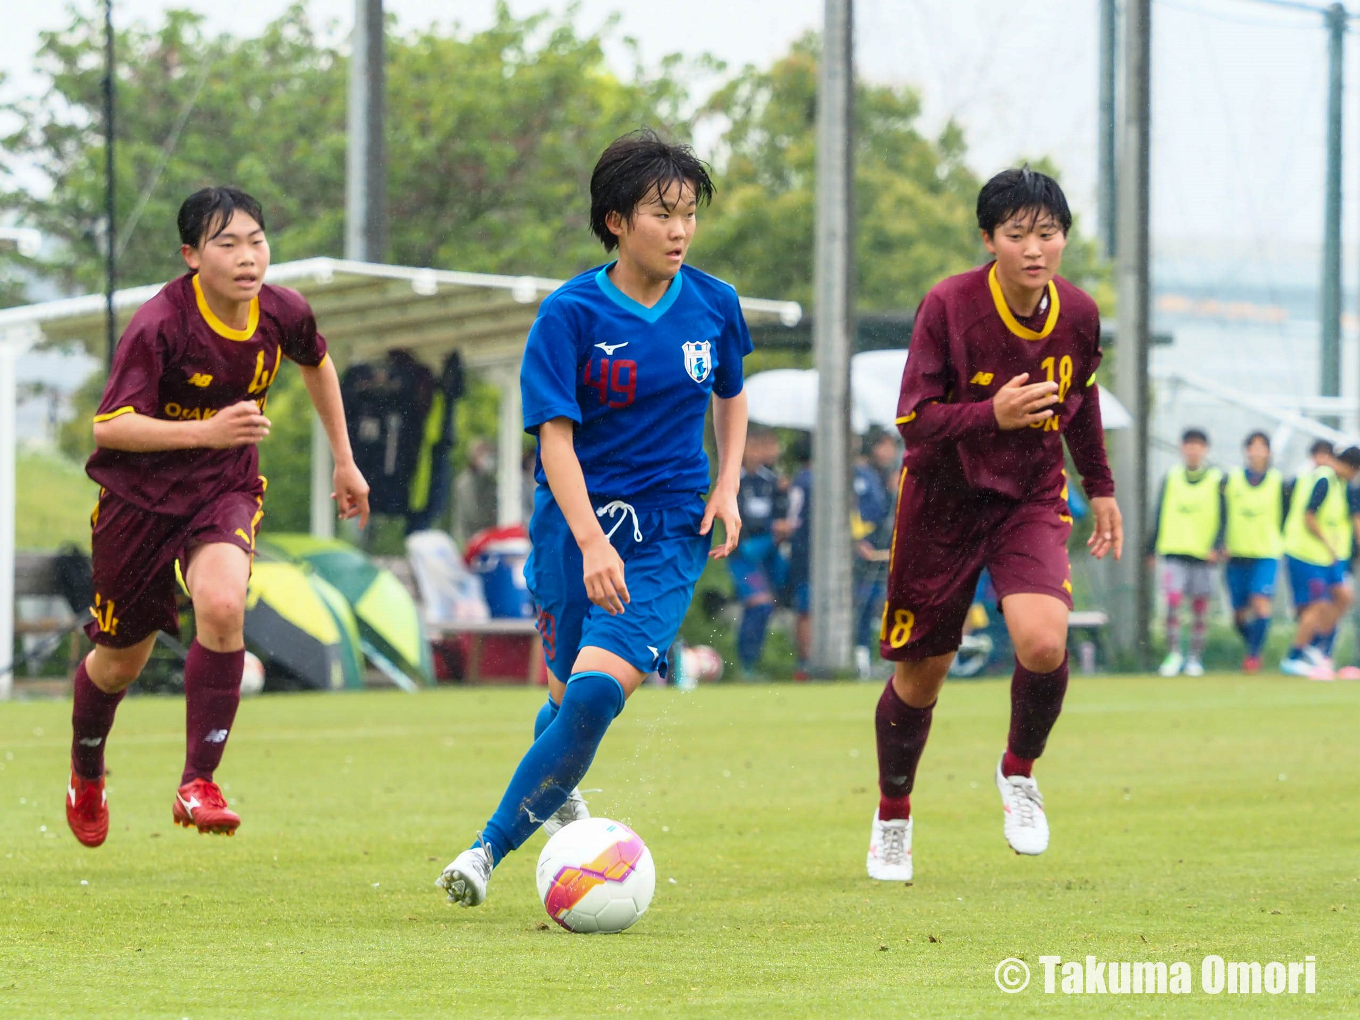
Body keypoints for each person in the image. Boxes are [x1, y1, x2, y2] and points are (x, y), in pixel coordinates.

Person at [437, 129, 750, 907]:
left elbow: (731, 393)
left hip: (669, 530)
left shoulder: (714, 303)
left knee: (594, 695)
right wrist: (589, 542)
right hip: (571, 529)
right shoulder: (569, 314)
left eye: (688, 214)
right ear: (616, 220)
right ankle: (558, 784)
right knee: (562, 697)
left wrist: (727, 484)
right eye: (661, 214)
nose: (679, 230)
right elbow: (555, 440)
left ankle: (485, 850)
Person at [65, 187, 370, 847]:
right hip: (137, 504)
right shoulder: (160, 324)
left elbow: (318, 363)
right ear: (191, 255)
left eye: (256, 241)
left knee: (225, 604)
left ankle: (198, 781)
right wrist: (206, 431)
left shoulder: (283, 311)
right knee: (118, 663)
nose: (246, 257)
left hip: (223, 490)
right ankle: (86, 767)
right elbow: (110, 427)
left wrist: (345, 461)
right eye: (227, 244)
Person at [868, 167, 1122, 883]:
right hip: (940, 505)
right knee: (923, 677)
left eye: (1048, 233)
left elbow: (1083, 402)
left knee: (1043, 642)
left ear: (1064, 238)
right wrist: (992, 414)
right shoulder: (949, 305)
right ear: (988, 239)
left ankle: (1019, 772)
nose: (1034, 249)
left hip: (1028, 500)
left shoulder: (1079, 313)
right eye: (1017, 235)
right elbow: (913, 421)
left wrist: (1101, 487)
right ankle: (893, 816)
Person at [1280, 441, 1360, 680]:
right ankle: (1293, 657)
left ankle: (1316, 647)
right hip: (1306, 553)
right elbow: (1308, 516)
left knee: (1343, 597)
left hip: (1329, 558)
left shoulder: (1343, 485)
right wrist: (1328, 543)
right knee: (1317, 605)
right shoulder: (1324, 479)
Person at [1147, 429, 1223, 678]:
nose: (1193, 450)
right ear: (1181, 447)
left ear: (1205, 449)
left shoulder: (1216, 479)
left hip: (1203, 555)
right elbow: (1159, 513)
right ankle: (1173, 654)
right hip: (1174, 552)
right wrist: (1151, 548)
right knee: (1172, 604)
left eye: (1198, 445)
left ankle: (1194, 658)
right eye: (1189, 445)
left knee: (1200, 609)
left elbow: (1224, 516)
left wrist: (1217, 546)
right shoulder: (1171, 477)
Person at [1222, 431, 1287, 674]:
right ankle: (1254, 644)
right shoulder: (1231, 479)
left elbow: (1286, 514)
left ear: (1268, 452)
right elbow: (1221, 513)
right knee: (1238, 615)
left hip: (1266, 553)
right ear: (1246, 451)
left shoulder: (1279, 482)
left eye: (1262, 447)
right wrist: (1220, 542)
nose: (1257, 452)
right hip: (1236, 553)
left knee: (1260, 603)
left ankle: (1253, 655)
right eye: (1253, 446)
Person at [728, 427, 787, 678]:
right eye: (752, 446)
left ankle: (752, 663)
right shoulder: (733, 481)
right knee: (759, 605)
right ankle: (745, 666)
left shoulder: (772, 482)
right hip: (743, 555)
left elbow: (782, 515)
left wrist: (780, 526)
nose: (757, 452)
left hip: (768, 554)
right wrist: (769, 528)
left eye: (761, 447)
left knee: (765, 607)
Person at [852, 429, 898, 678]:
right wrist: (856, 540)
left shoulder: (888, 474)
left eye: (892, 446)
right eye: (883, 445)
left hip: (884, 550)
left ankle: (886, 656)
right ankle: (860, 657)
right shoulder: (859, 474)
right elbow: (852, 510)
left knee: (885, 602)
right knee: (863, 603)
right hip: (862, 553)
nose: (888, 452)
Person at [780, 436, 814, 676]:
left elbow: (790, 521)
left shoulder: (800, 481)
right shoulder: (814, 481)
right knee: (808, 608)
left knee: (805, 609)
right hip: (808, 554)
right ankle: (809, 661)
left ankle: (805, 662)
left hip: (802, 553)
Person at [453, 438, 499, 545]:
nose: (488, 459)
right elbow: (472, 514)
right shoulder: (465, 482)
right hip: (469, 539)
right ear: (474, 458)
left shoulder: (490, 482)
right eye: (483, 454)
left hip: (487, 539)